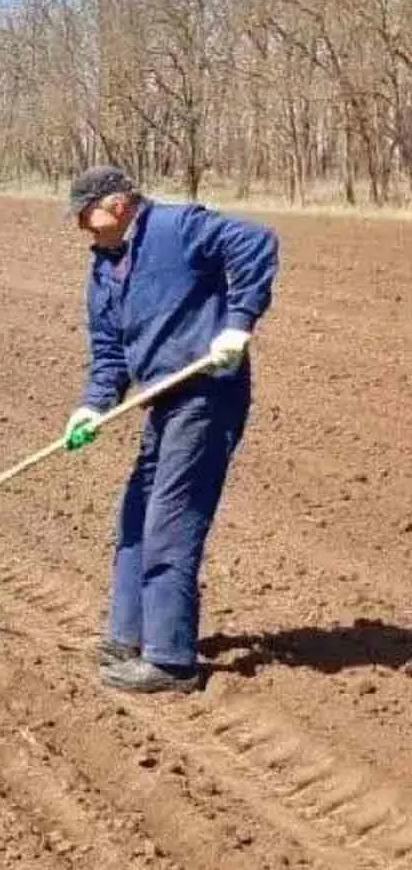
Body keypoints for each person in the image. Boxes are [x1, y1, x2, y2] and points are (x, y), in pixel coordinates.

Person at [60, 164, 276, 694]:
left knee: (170, 520)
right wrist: (92, 405)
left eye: (84, 215)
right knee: (135, 514)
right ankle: (126, 634)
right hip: (162, 399)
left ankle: (171, 660)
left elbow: (257, 243)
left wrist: (237, 323)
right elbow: (109, 351)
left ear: (115, 204)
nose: (80, 227)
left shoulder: (177, 227)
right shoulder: (103, 270)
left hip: (207, 394)